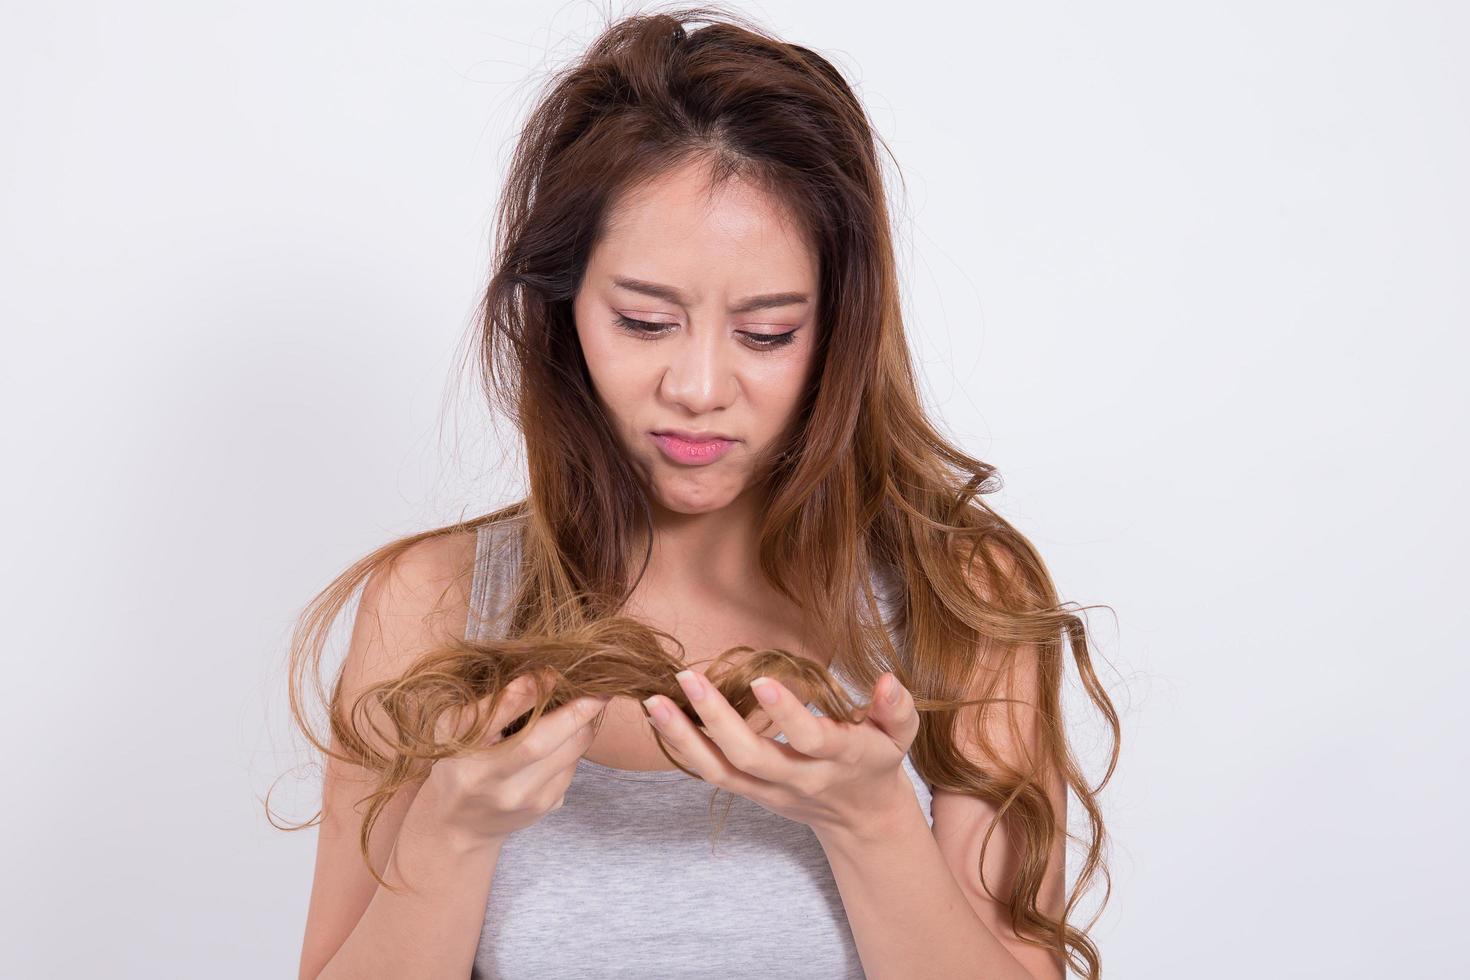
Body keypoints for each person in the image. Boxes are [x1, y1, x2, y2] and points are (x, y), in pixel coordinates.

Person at [284, 7, 1118, 979]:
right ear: (561, 310)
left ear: (839, 328)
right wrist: (448, 835)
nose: (699, 386)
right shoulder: (430, 603)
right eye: (644, 321)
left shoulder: (958, 592)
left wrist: (872, 821)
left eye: (766, 331)